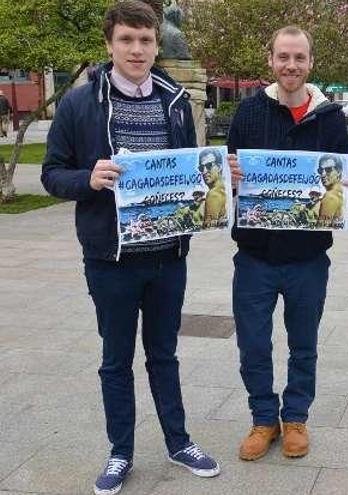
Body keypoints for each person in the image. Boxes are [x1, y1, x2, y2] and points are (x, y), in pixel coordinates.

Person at [40, 2, 223, 494]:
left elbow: (188, 169)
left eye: (145, 41)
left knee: (164, 354)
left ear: (155, 44)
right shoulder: (80, 103)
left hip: (168, 256)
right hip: (110, 259)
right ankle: (120, 451)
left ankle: (178, 441)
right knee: (115, 359)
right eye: (127, 40)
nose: (137, 50)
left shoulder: (175, 98)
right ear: (110, 44)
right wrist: (89, 178)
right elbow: (52, 174)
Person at [226, 25, 348, 462]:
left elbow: (347, 184)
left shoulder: (331, 117)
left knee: (304, 343)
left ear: (310, 63)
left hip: (308, 258)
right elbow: (230, 185)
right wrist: (227, 178)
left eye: (299, 58)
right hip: (254, 256)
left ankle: (297, 417)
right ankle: (263, 419)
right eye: (283, 57)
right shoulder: (248, 113)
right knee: (253, 343)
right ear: (271, 60)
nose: (291, 65)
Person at [197, 147, 227, 228]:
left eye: (209, 165)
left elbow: (209, 228)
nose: (204, 171)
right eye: (201, 168)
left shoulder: (212, 194)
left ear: (219, 167)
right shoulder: (223, 190)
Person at [315, 154, 345, 227]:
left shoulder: (330, 197)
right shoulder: (340, 193)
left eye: (328, 170)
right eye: (320, 170)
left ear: (338, 172)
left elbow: (321, 228)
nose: (323, 174)